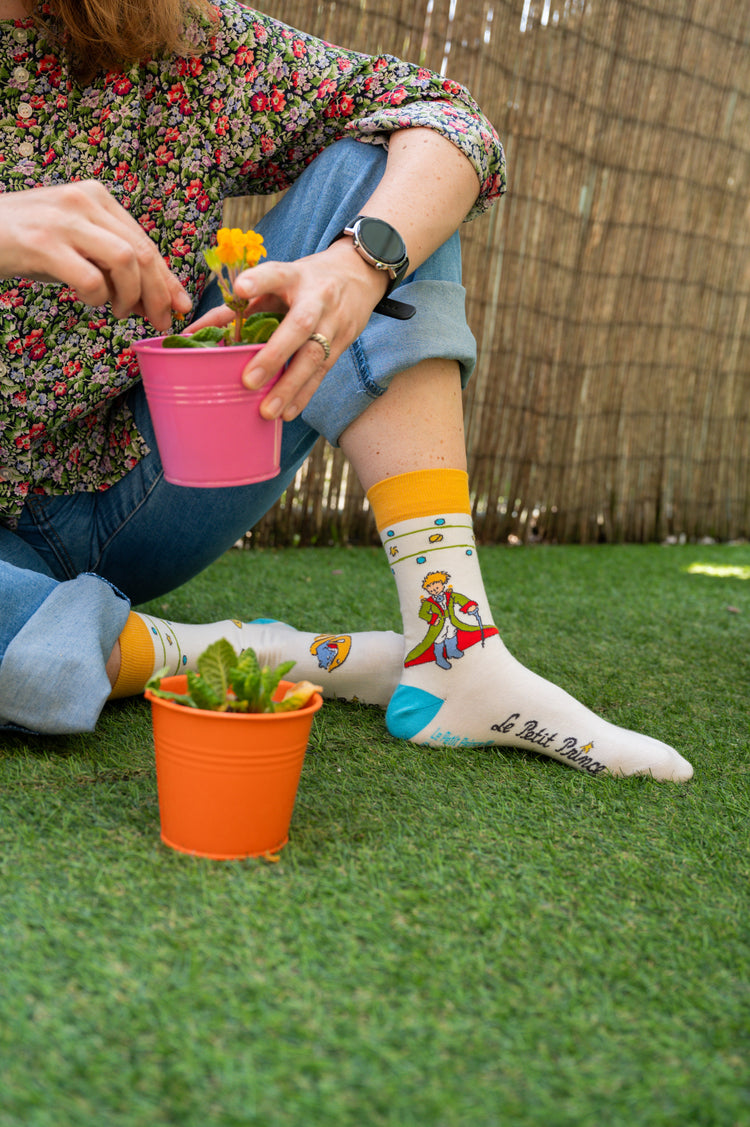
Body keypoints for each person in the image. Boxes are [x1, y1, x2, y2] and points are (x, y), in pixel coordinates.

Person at [0, 0, 692, 781]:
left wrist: (357, 265)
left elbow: (446, 118)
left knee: (380, 176)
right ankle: (269, 654)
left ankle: (452, 653)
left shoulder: (162, 30)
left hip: (147, 487)